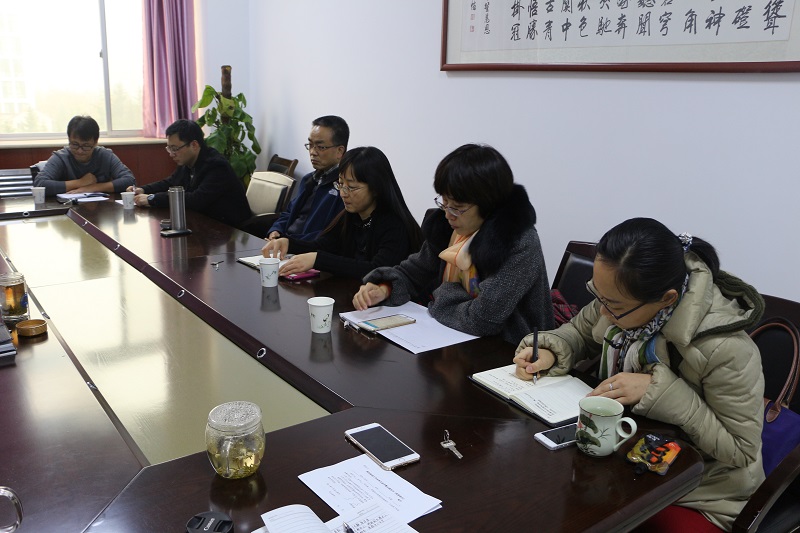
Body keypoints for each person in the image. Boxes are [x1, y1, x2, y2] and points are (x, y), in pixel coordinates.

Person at [513, 218, 765, 532]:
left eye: (612, 305)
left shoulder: (726, 349)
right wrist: (552, 350)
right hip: (624, 462)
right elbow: (578, 332)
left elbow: (741, 450)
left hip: (700, 492)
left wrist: (663, 393)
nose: (602, 311)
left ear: (667, 299)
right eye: (598, 295)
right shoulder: (620, 300)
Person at [352, 143, 554, 344]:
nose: (448, 214)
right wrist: (384, 288)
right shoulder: (450, 227)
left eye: (457, 207)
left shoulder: (518, 241)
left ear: (489, 204)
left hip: (512, 351)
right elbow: (413, 273)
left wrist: (442, 293)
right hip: (454, 339)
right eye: (444, 202)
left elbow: (482, 319)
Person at [261, 146, 423, 279]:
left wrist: (318, 260)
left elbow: (377, 270)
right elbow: (323, 245)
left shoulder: (394, 224)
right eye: (340, 184)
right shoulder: (350, 216)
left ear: (376, 189)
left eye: (351, 187)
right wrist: (288, 243)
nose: (343, 193)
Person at [129, 119, 251, 227]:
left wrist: (152, 198)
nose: (171, 154)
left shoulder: (217, 166)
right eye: (169, 148)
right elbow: (171, 182)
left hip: (229, 231)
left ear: (194, 145)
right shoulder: (188, 162)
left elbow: (196, 199)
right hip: (204, 224)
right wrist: (143, 189)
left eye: (175, 148)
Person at [266, 116, 349, 241]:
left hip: (305, 248)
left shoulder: (344, 188)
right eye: (310, 145)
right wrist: (276, 230)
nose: (312, 152)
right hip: (285, 243)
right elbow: (289, 212)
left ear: (340, 151)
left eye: (320, 147)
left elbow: (331, 235)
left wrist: (290, 242)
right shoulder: (309, 179)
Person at [33, 115, 135, 197]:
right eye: (75, 144)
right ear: (69, 139)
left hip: (102, 209)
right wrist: (80, 182)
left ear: (95, 142)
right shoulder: (61, 157)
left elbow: (129, 180)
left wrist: (93, 187)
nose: (80, 151)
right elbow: (40, 184)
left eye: (86, 146)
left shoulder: (105, 155)